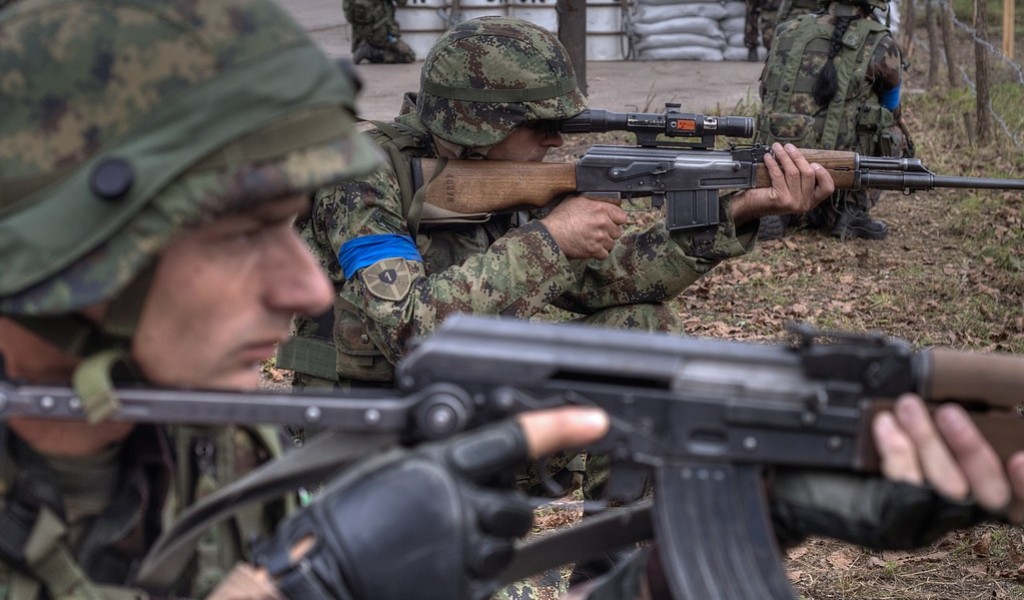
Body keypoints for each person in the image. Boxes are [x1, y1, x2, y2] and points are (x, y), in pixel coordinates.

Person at [3, 2, 1024, 600]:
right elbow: (396, 326)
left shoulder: (212, 454)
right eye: (238, 231)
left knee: (631, 331)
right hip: (391, 375)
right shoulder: (370, 182)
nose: (299, 283)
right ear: (66, 255)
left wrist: (729, 525)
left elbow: (607, 274)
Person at [282, 15, 834, 394]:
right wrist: (549, 240)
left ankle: (613, 562)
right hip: (370, 412)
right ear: (479, 124)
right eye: (542, 125)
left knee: (642, 327)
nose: (555, 141)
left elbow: (600, 283)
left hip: (470, 387)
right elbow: (408, 331)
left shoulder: (501, 170)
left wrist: (736, 212)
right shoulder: (361, 175)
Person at [754, 0, 913, 241]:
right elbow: (892, 108)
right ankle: (850, 211)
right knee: (891, 128)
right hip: (838, 163)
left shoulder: (788, 30)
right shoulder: (882, 44)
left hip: (782, 157)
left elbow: (766, 92)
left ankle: (776, 208)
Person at [344, 0, 416, 64]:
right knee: (409, 56)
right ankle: (371, 52)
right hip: (380, 33)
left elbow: (348, 15)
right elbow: (402, 2)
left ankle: (363, 47)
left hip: (358, 35)